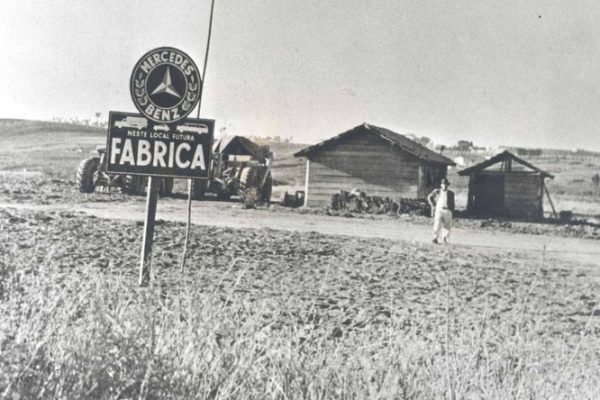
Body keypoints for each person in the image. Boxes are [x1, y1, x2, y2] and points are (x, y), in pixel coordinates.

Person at [427, 178, 455, 244]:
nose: (444, 186)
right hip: (439, 209)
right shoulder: (437, 191)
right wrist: (433, 204)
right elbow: (429, 197)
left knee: (447, 226)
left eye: (446, 184)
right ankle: (435, 238)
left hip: (447, 210)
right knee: (437, 224)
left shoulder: (451, 193)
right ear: (441, 185)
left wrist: (452, 211)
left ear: (447, 185)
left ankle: (444, 238)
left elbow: (453, 203)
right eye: (443, 184)